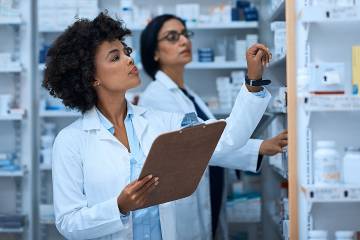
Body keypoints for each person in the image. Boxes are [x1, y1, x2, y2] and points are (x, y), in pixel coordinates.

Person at [43, 12, 271, 240]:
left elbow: (224, 139)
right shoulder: (70, 140)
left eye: (126, 52)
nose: (129, 59)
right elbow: (68, 222)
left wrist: (252, 82)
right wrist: (119, 207)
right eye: (115, 58)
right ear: (92, 77)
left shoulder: (161, 121)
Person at [139, 14, 288, 239]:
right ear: (154, 52)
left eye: (185, 34)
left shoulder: (186, 93)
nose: (183, 41)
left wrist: (261, 147)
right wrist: (258, 146)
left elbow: (211, 138)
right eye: (172, 37)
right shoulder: (156, 98)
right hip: (186, 206)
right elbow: (201, 146)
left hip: (209, 196)